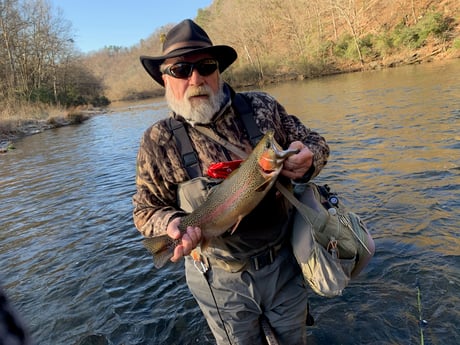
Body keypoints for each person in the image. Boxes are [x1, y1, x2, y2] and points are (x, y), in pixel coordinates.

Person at [133, 19, 330, 345]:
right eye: (181, 70)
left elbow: (315, 143)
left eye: (206, 66)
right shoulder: (158, 141)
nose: (195, 78)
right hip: (217, 280)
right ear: (165, 79)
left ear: (218, 71)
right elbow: (145, 210)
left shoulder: (262, 108)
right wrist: (171, 224)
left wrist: (307, 159)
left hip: (285, 264)